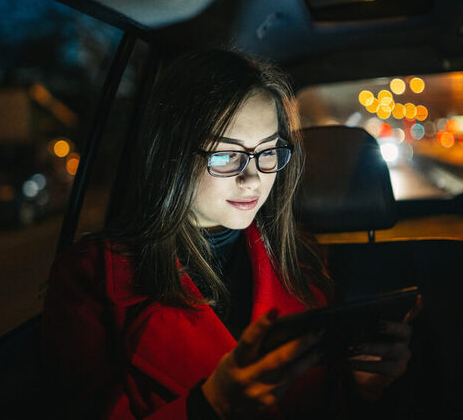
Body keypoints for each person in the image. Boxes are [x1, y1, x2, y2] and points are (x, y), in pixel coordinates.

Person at [42, 49, 413, 419]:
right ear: (172, 154)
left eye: (267, 151)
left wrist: (363, 388)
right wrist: (211, 407)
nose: (252, 178)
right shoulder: (92, 278)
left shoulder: (302, 262)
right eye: (224, 155)